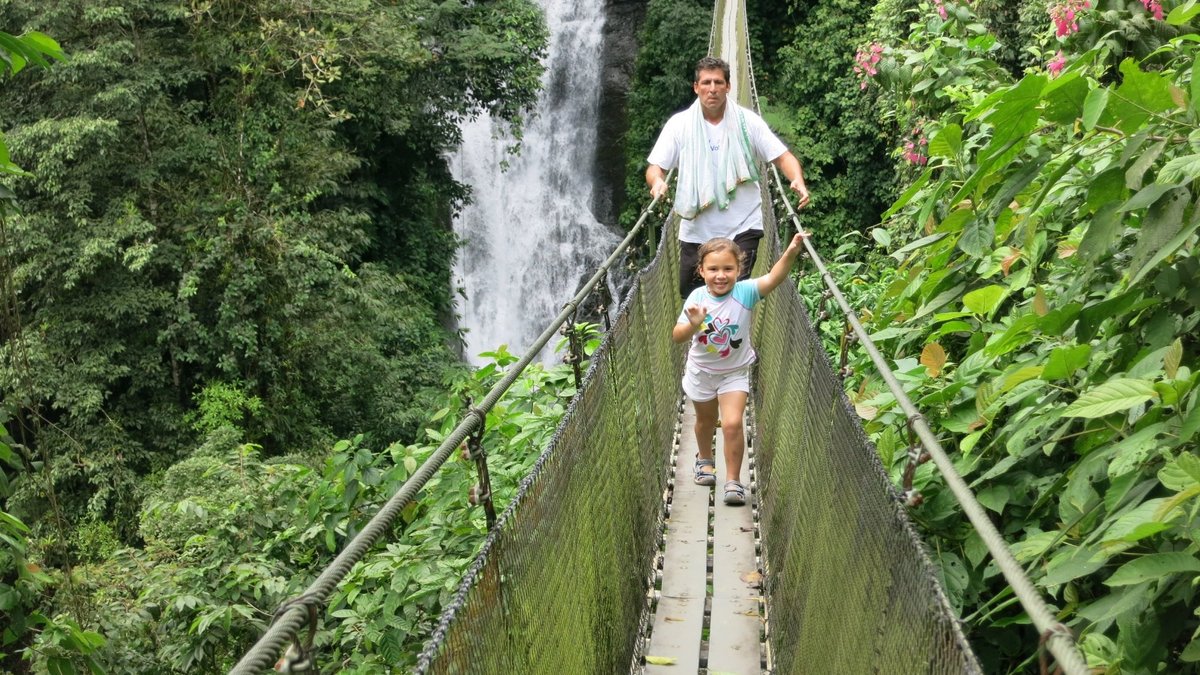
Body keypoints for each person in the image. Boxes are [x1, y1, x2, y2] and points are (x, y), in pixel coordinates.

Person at [646, 56, 811, 299]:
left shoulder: (748, 123)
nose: (712, 89)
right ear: (696, 87)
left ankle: (732, 338)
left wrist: (796, 179)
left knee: (731, 300)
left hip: (742, 228)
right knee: (692, 299)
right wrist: (658, 182)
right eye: (706, 83)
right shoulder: (679, 125)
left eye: (718, 82)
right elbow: (655, 167)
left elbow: (783, 157)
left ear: (728, 86)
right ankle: (704, 338)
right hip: (697, 231)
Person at [671, 232, 807, 505]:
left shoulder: (745, 292)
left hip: (734, 371)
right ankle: (704, 459)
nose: (720, 275)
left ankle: (733, 481)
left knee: (732, 423)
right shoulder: (697, 297)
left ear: (739, 270)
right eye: (713, 269)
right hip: (701, 371)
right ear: (701, 271)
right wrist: (694, 323)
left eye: (728, 269)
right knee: (705, 422)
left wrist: (791, 251)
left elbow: (774, 278)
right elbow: (678, 336)